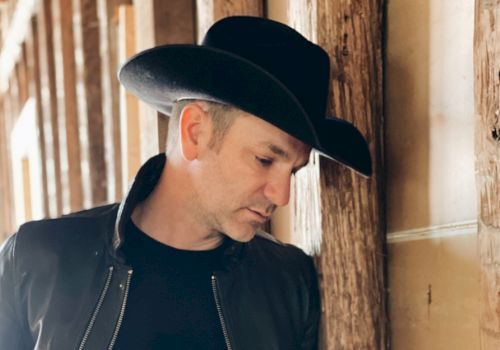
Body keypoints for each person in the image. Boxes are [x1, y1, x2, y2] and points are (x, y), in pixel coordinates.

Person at [0, 16, 371, 349]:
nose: (282, 194)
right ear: (195, 132)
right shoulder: (38, 258)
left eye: (293, 170)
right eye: (265, 159)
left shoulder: (288, 283)